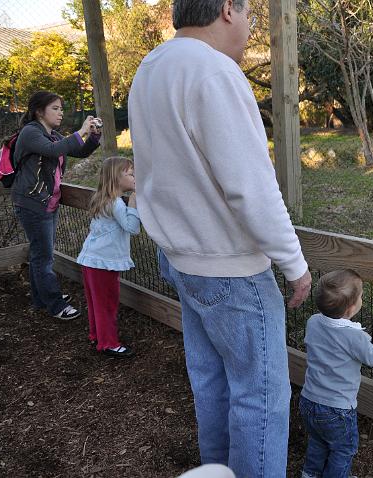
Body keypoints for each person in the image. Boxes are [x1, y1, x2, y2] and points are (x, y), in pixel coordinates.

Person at [128, 0, 312, 475]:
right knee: (262, 398)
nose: (250, 27)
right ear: (228, 9)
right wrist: (294, 262)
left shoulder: (152, 67)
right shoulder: (215, 72)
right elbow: (250, 185)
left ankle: (217, 471)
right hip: (232, 269)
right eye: (248, 13)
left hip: (180, 258)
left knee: (210, 382)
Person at [299, 269, 373, 478]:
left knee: (318, 441)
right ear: (351, 308)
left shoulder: (313, 322)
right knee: (343, 449)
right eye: (361, 295)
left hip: (308, 400)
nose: (362, 298)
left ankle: (310, 474)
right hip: (337, 409)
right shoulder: (354, 336)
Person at [11, 90, 102, 320]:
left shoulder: (52, 135)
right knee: (44, 257)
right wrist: (80, 130)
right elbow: (54, 151)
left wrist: (93, 135)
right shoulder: (31, 132)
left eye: (61, 108)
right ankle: (55, 304)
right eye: (55, 108)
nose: (60, 112)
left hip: (47, 202)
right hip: (32, 203)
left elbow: (78, 151)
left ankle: (41, 298)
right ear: (39, 111)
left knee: (40, 254)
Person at [76, 157, 140, 358]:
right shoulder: (117, 204)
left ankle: (96, 335)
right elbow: (132, 228)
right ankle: (109, 343)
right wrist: (133, 203)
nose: (135, 177)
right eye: (130, 174)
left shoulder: (101, 198)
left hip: (91, 261)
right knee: (107, 303)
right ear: (116, 178)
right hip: (103, 264)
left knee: (96, 302)